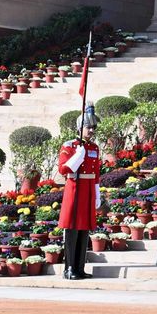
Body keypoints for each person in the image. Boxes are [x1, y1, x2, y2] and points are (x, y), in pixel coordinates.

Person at [56, 105, 102, 280]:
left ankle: (80, 268)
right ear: (80, 128)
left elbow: (96, 173)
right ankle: (69, 269)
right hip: (75, 188)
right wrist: (77, 156)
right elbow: (63, 169)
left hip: (88, 189)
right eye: (88, 127)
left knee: (84, 229)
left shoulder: (94, 148)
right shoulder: (70, 146)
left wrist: (97, 193)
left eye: (93, 127)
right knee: (72, 228)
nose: (91, 130)